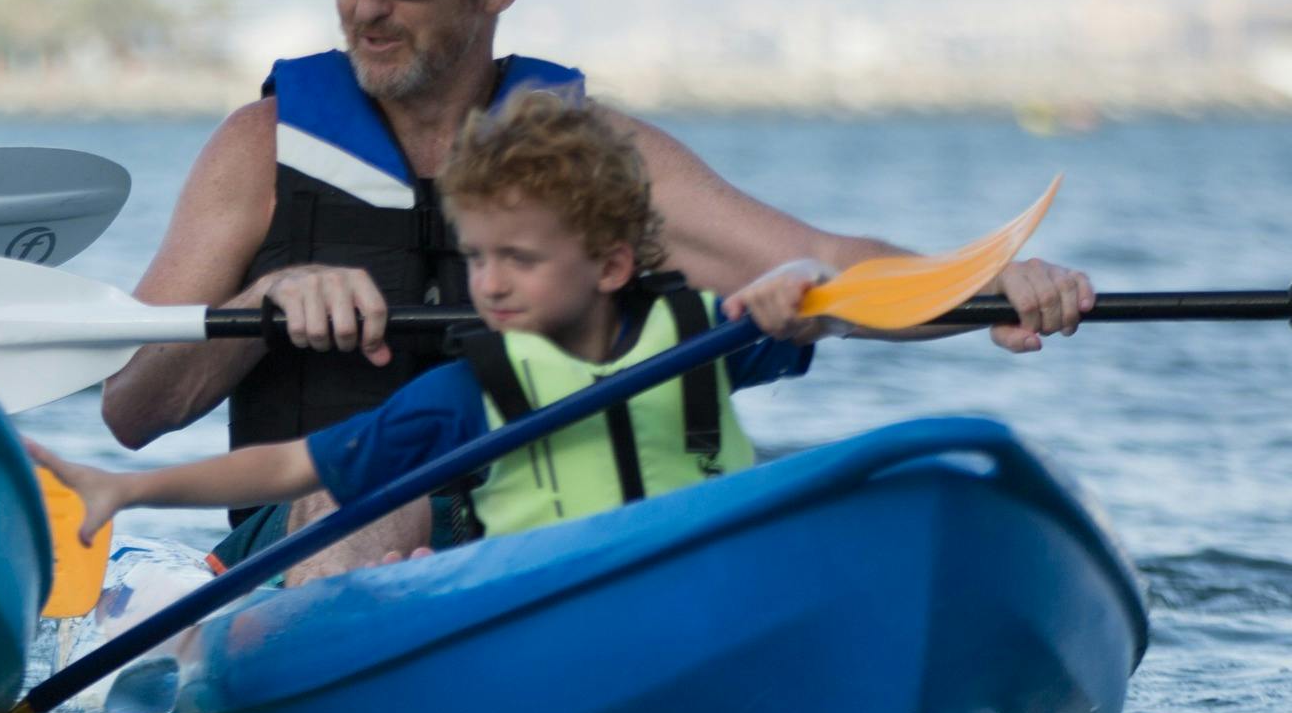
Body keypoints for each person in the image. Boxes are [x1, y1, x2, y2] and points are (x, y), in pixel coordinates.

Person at [99, 0, 1091, 556]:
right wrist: (262, 302)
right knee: (371, 497)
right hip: (307, 545)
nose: (364, 5)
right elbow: (132, 410)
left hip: (538, 544)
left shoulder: (591, 162)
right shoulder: (258, 151)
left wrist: (994, 291)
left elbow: (820, 271)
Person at [52, 93, 851, 582]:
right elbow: (295, 464)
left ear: (611, 264)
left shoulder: (702, 337)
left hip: (681, 576)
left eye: (520, 259)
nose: (489, 284)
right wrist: (131, 488)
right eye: (477, 257)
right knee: (366, 495)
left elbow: (827, 305)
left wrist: (801, 287)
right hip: (540, 596)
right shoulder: (466, 393)